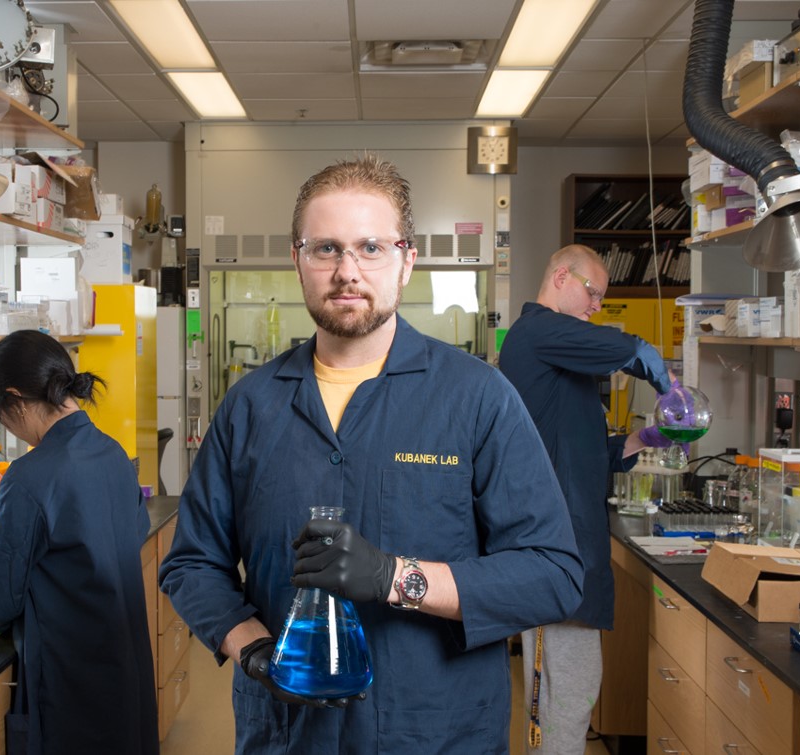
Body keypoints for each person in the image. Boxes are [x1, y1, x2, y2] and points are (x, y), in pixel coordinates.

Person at [159, 154, 584, 754]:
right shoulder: (250, 407)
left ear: (407, 260)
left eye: (371, 248)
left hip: (437, 732)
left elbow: (553, 575)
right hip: (288, 734)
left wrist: (395, 578)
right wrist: (252, 646)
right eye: (325, 248)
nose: (347, 271)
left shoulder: (477, 398)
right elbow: (192, 563)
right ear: (298, 260)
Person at [497, 244, 676, 754]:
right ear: (560, 276)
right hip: (554, 548)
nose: (597, 305)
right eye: (592, 292)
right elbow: (629, 349)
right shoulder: (536, 331)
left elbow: (574, 449)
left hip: (564, 544)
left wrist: (639, 442)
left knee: (563, 693)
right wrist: (662, 377)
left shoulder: (557, 353)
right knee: (564, 694)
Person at [0, 330, 159, 755]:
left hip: (71, 683)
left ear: (15, 397)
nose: (6, 427)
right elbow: (129, 532)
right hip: (122, 670)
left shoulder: (30, 476)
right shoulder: (113, 455)